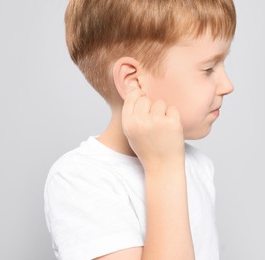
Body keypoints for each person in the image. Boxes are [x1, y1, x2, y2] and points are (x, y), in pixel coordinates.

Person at [44, 0, 236, 259]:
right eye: (208, 69)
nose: (227, 84)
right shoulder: (79, 180)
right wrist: (163, 169)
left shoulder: (198, 166)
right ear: (134, 82)